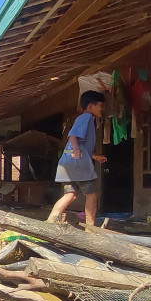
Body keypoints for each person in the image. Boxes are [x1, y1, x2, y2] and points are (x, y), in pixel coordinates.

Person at [47, 90, 107, 225]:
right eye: (100, 105)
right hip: (78, 163)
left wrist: (94, 156)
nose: (102, 109)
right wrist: (76, 150)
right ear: (90, 106)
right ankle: (90, 228)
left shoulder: (84, 119)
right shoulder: (86, 117)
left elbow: (81, 144)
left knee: (70, 194)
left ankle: (50, 222)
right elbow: (73, 136)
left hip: (67, 162)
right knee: (91, 194)